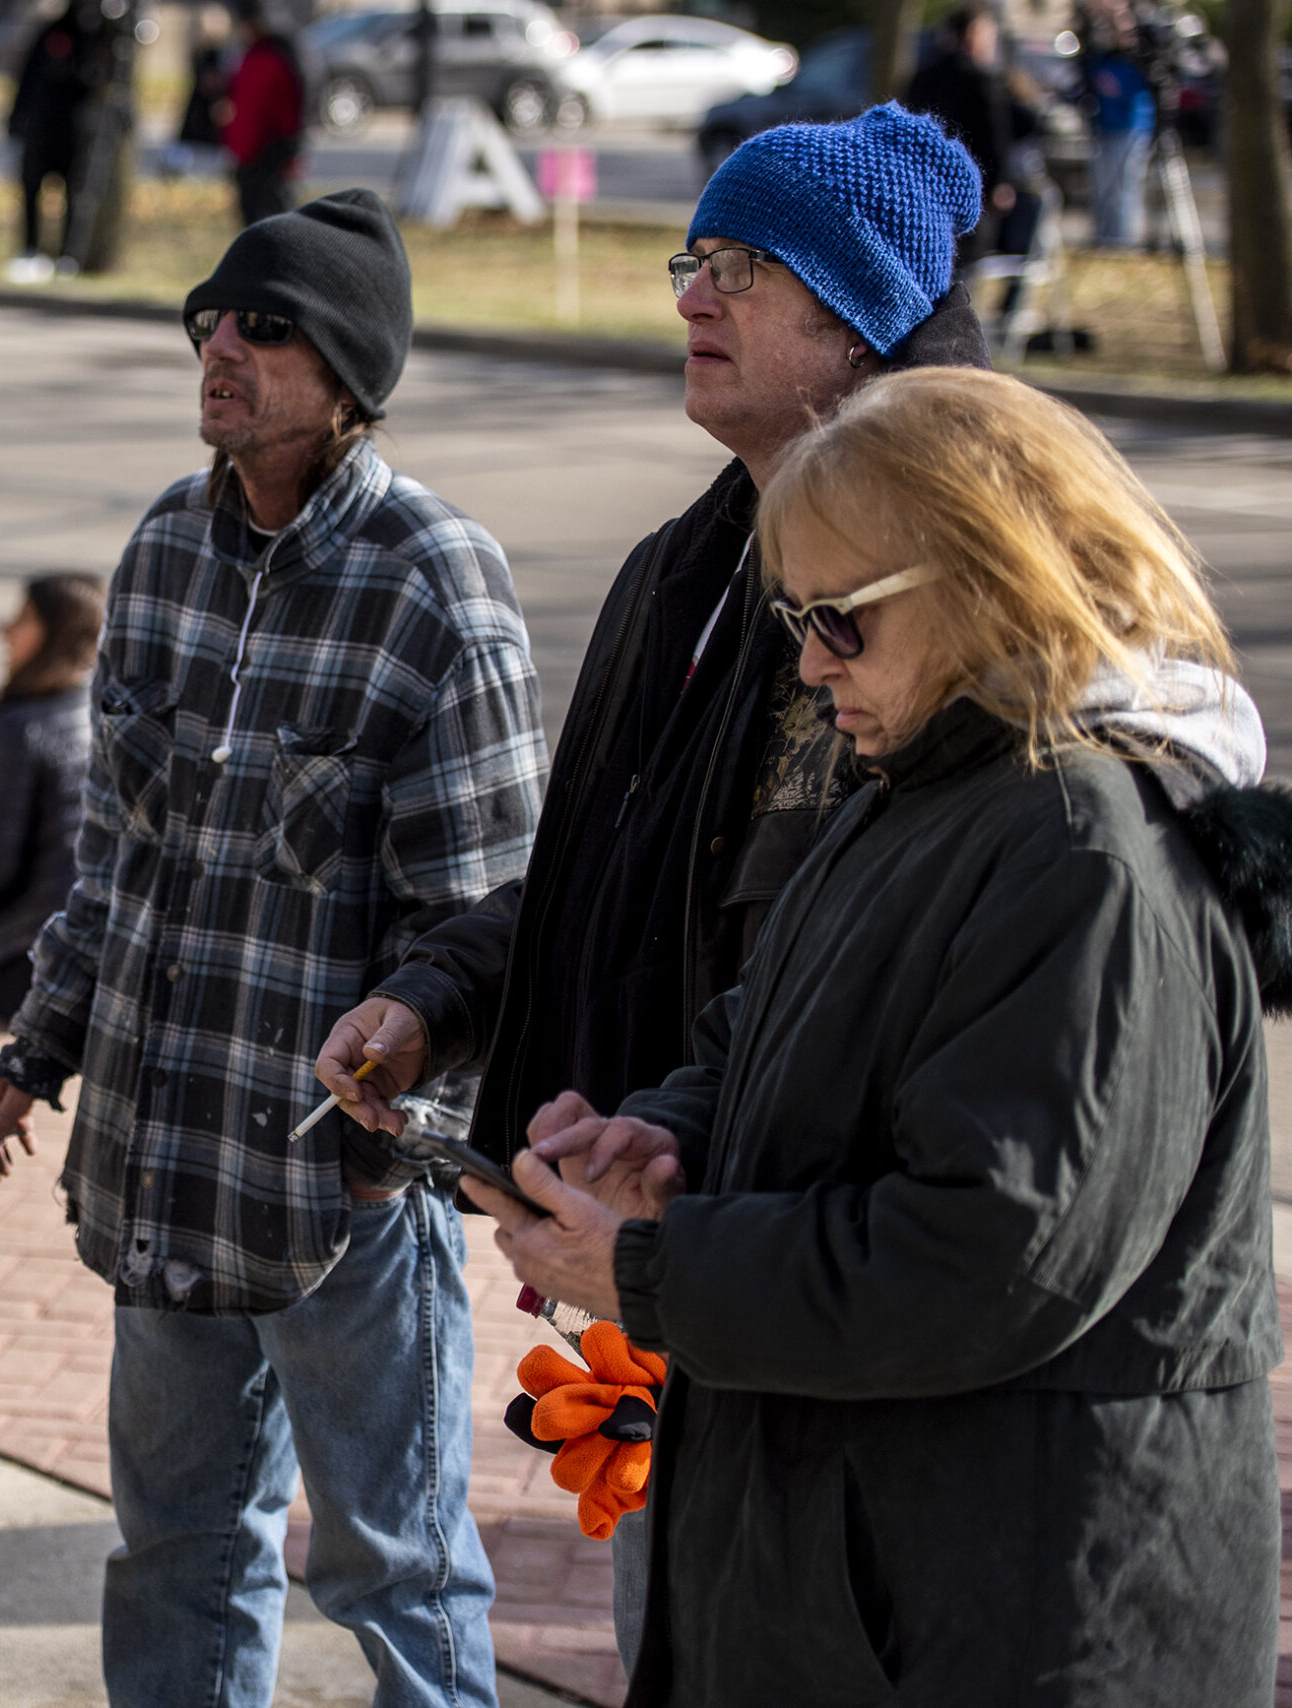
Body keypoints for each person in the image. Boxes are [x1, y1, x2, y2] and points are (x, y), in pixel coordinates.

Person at [469, 365, 1281, 1705]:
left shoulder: (1084, 848)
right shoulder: (928, 790)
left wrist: (661, 1273)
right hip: (882, 1592)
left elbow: (995, 1256)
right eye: (796, 618)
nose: (807, 663)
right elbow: (763, 1044)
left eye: (841, 621)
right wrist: (656, 1137)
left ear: (991, 579)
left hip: (1008, 1612)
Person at [311, 102, 987, 1671]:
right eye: (695, 257)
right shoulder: (690, 566)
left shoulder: (910, 592)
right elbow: (589, 882)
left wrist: (662, 1169)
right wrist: (439, 1003)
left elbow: (853, 961)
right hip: (666, 1253)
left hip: (803, 1277)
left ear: (863, 315)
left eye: (744, 268)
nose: (692, 294)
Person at [0, 189, 549, 1708]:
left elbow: (490, 920)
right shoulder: (165, 545)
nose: (221, 346)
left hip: (334, 1197)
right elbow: (118, 859)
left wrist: (387, 1158)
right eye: (209, 317)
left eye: (266, 327)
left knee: (396, 1572)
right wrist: (37, 1049)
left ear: (350, 376)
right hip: (168, 1165)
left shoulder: (437, 584)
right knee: (172, 1546)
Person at [0, 573, 100, 1021]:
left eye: (21, 619)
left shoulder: (20, 727)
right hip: (100, 961)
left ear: (54, 633)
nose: (5, 632)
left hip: (24, 966)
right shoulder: (104, 711)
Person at [901, 7, 1030, 265]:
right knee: (968, 262)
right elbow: (995, 134)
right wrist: (999, 182)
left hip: (925, 185)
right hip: (973, 184)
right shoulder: (981, 80)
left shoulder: (922, 76)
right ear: (974, 35)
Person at [7, 1, 92, 280]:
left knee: (75, 193)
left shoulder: (89, 37)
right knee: (32, 189)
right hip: (40, 129)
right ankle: (31, 250)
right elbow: (27, 82)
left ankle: (68, 255)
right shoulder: (45, 35)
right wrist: (16, 121)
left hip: (72, 129)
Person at [220, 0, 306, 226]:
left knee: (274, 219)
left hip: (271, 151)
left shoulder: (278, 58)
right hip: (247, 153)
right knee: (249, 223)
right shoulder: (249, 57)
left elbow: (290, 110)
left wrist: (291, 150)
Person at [1081, 0, 1154, 250]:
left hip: (1131, 127)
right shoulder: (1099, 54)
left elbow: (1145, 83)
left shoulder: (1138, 54)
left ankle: (1124, 243)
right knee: (1103, 187)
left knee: (1125, 189)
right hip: (1104, 125)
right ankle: (1105, 239)